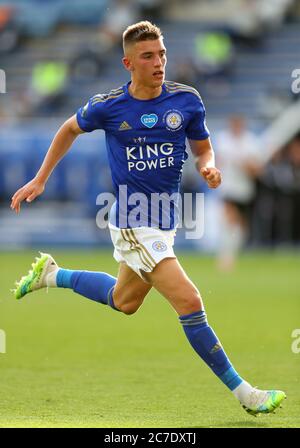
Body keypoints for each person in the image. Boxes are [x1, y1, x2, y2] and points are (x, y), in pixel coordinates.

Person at [11, 21, 285, 416]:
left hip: (164, 221)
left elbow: (203, 148)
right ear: (128, 63)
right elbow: (68, 128)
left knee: (124, 301)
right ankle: (246, 393)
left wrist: (208, 166)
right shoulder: (109, 105)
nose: (158, 63)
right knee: (189, 300)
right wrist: (40, 179)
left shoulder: (186, 100)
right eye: (148, 57)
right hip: (131, 219)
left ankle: (52, 274)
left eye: (162, 55)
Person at [216, 116, 262, 271]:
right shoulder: (223, 139)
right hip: (228, 187)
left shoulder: (251, 141)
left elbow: (256, 169)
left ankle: (232, 253)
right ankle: (226, 256)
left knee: (241, 225)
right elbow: (218, 162)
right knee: (230, 219)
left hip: (244, 189)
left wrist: (246, 165)